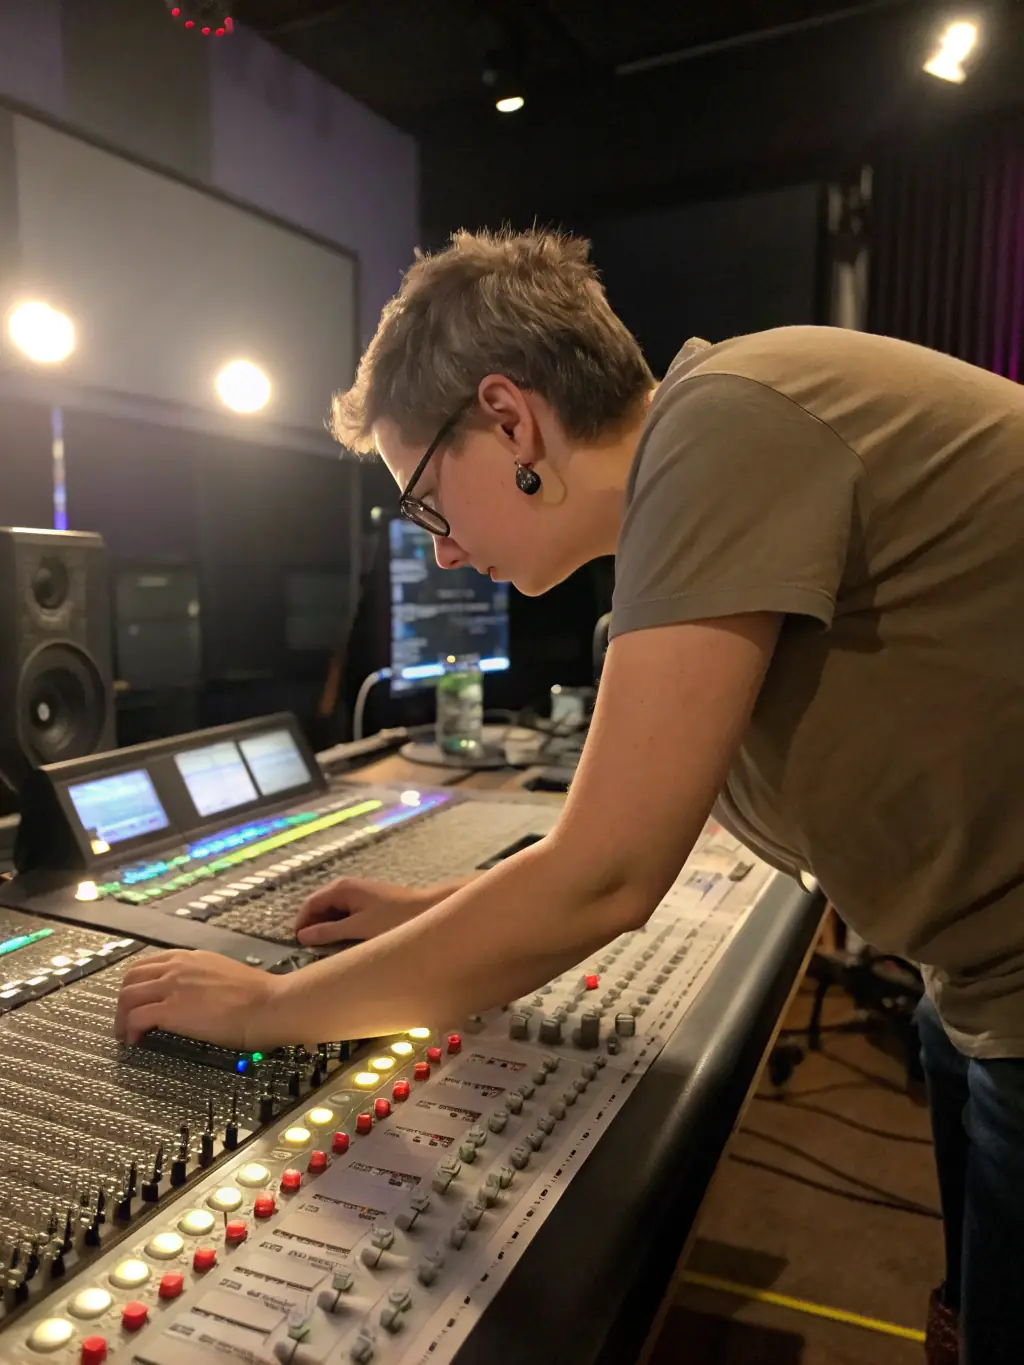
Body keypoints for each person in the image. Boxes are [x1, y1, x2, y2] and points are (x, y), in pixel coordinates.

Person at [116, 229, 1024, 1364]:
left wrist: (260, 1014)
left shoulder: (727, 421)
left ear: (508, 419)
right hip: (978, 975)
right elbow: (661, 810)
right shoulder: (712, 462)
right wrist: (445, 914)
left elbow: (605, 873)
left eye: (426, 501)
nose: (441, 554)